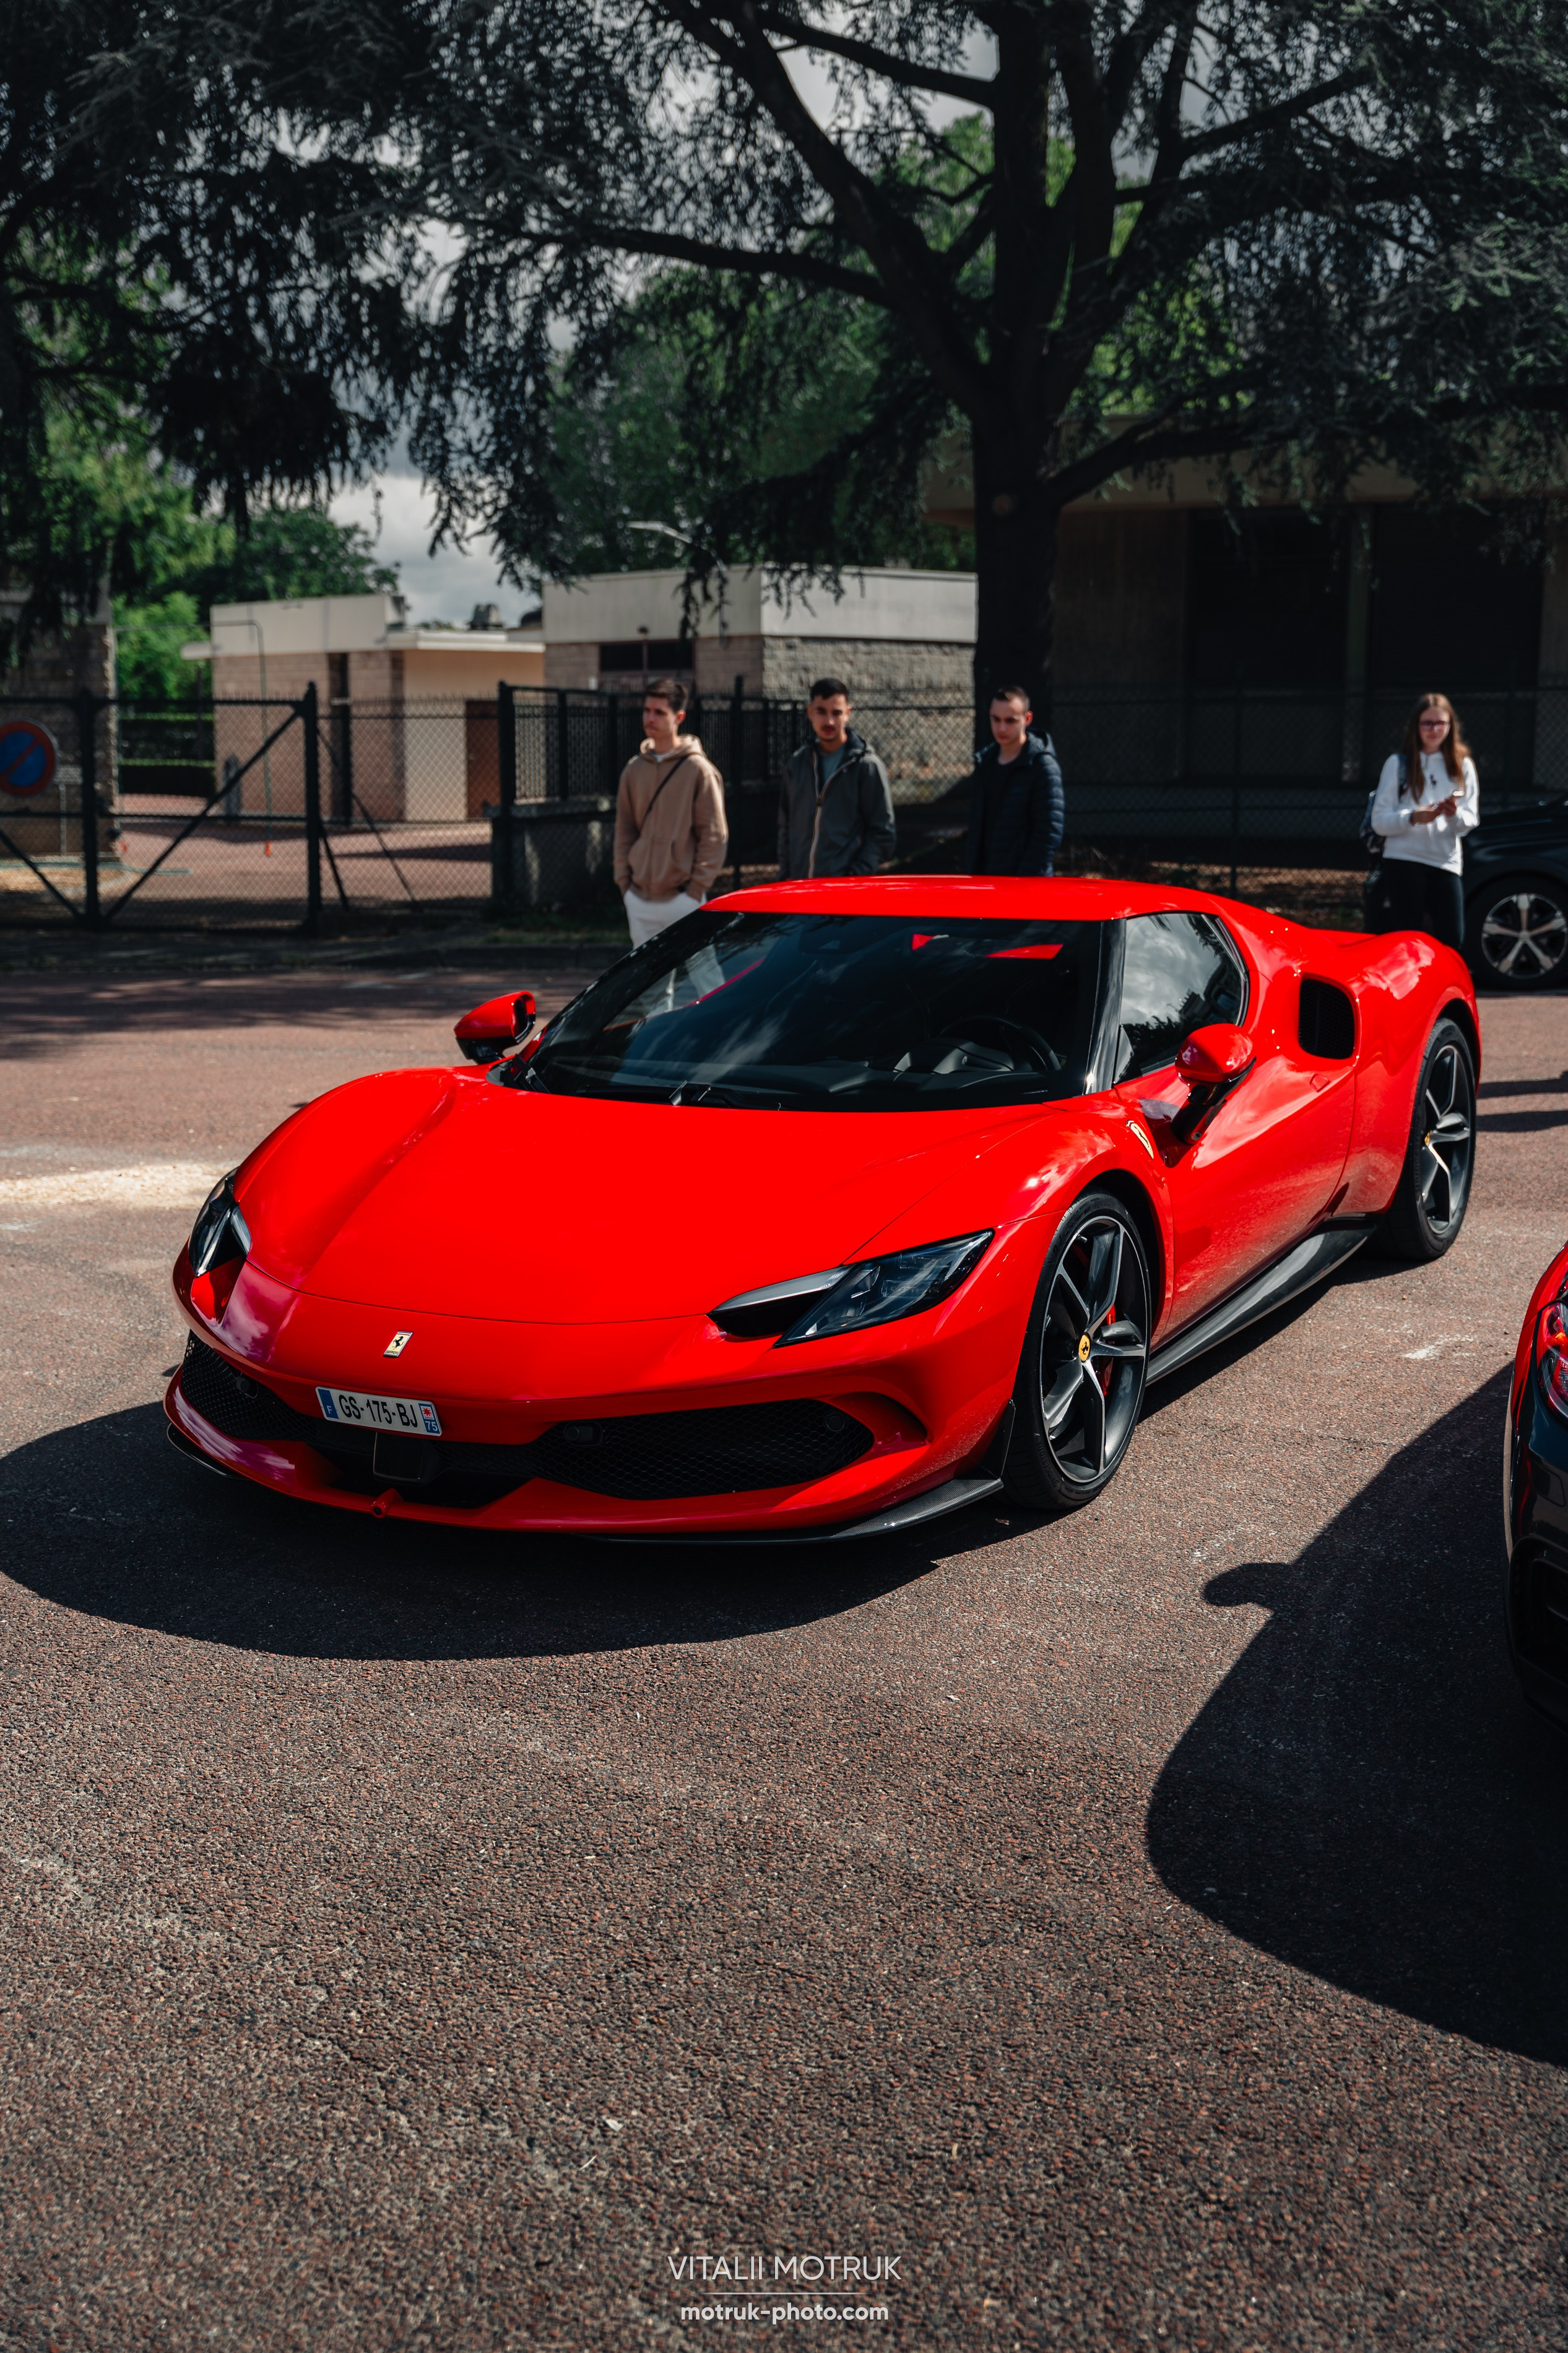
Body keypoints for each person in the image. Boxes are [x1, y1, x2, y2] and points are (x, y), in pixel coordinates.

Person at [613, 679, 728, 947]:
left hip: (682, 897)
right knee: (650, 985)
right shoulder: (634, 769)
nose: (650, 718)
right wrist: (625, 886)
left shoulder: (698, 770)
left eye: (659, 712)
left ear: (679, 717)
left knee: (705, 979)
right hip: (639, 897)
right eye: (647, 710)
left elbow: (714, 836)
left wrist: (694, 892)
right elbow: (624, 828)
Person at [1368, 691, 1478, 952]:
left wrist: (1452, 813)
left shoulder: (1463, 766)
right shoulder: (1398, 764)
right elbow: (1379, 822)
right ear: (1415, 726)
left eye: (1441, 723)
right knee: (1407, 942)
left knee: (1452, 940)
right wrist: (1413, 817)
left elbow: (1469, 821)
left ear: (1451, 726)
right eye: (1427, 723)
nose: (1434, 730)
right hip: (1403, 859)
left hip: (1445, 861)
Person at [778, 677, 896, 879]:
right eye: (821, 712)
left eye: (837, 713)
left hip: (842, 898)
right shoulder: (797, 764)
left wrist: (855, 876)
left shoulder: (866, 766)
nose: (829, 721)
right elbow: (785, 828)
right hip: (798, 893)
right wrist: (785, 878)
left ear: (848, 714)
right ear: (810, 712)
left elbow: (883, 833)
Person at [964, 686, 1065, 875]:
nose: (1002, 728)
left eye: (1010, 720)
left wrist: (1022, 882)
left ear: (1027, 719)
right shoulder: (985, 763)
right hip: (986, 881)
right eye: (996, 719)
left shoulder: (1043, 766)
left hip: (1025, 887)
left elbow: (1048, 834)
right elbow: (977, 827)